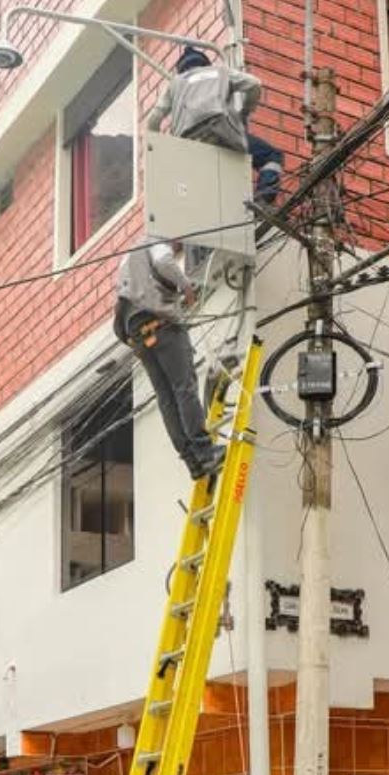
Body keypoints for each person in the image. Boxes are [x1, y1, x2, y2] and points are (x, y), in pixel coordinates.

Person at [116, 240, 223, 480]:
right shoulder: (155, 242)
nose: (177, 249)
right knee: (184, 387)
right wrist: (185, 286)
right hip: (161, 324)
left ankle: (193, 462)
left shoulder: (128, 260)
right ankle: (206, 452)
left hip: (137, 332)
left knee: (166, 398)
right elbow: (164, 262)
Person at [147, 46, 284, 202]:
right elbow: (254, 84)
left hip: (187, 144)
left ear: (181, 70)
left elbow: (154, 118)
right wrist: (245, 111)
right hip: (221, 132)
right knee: (271, 156)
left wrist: (158, 149)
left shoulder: (175, 83)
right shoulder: (220, 72)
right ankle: (263, 200)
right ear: (206, 64)